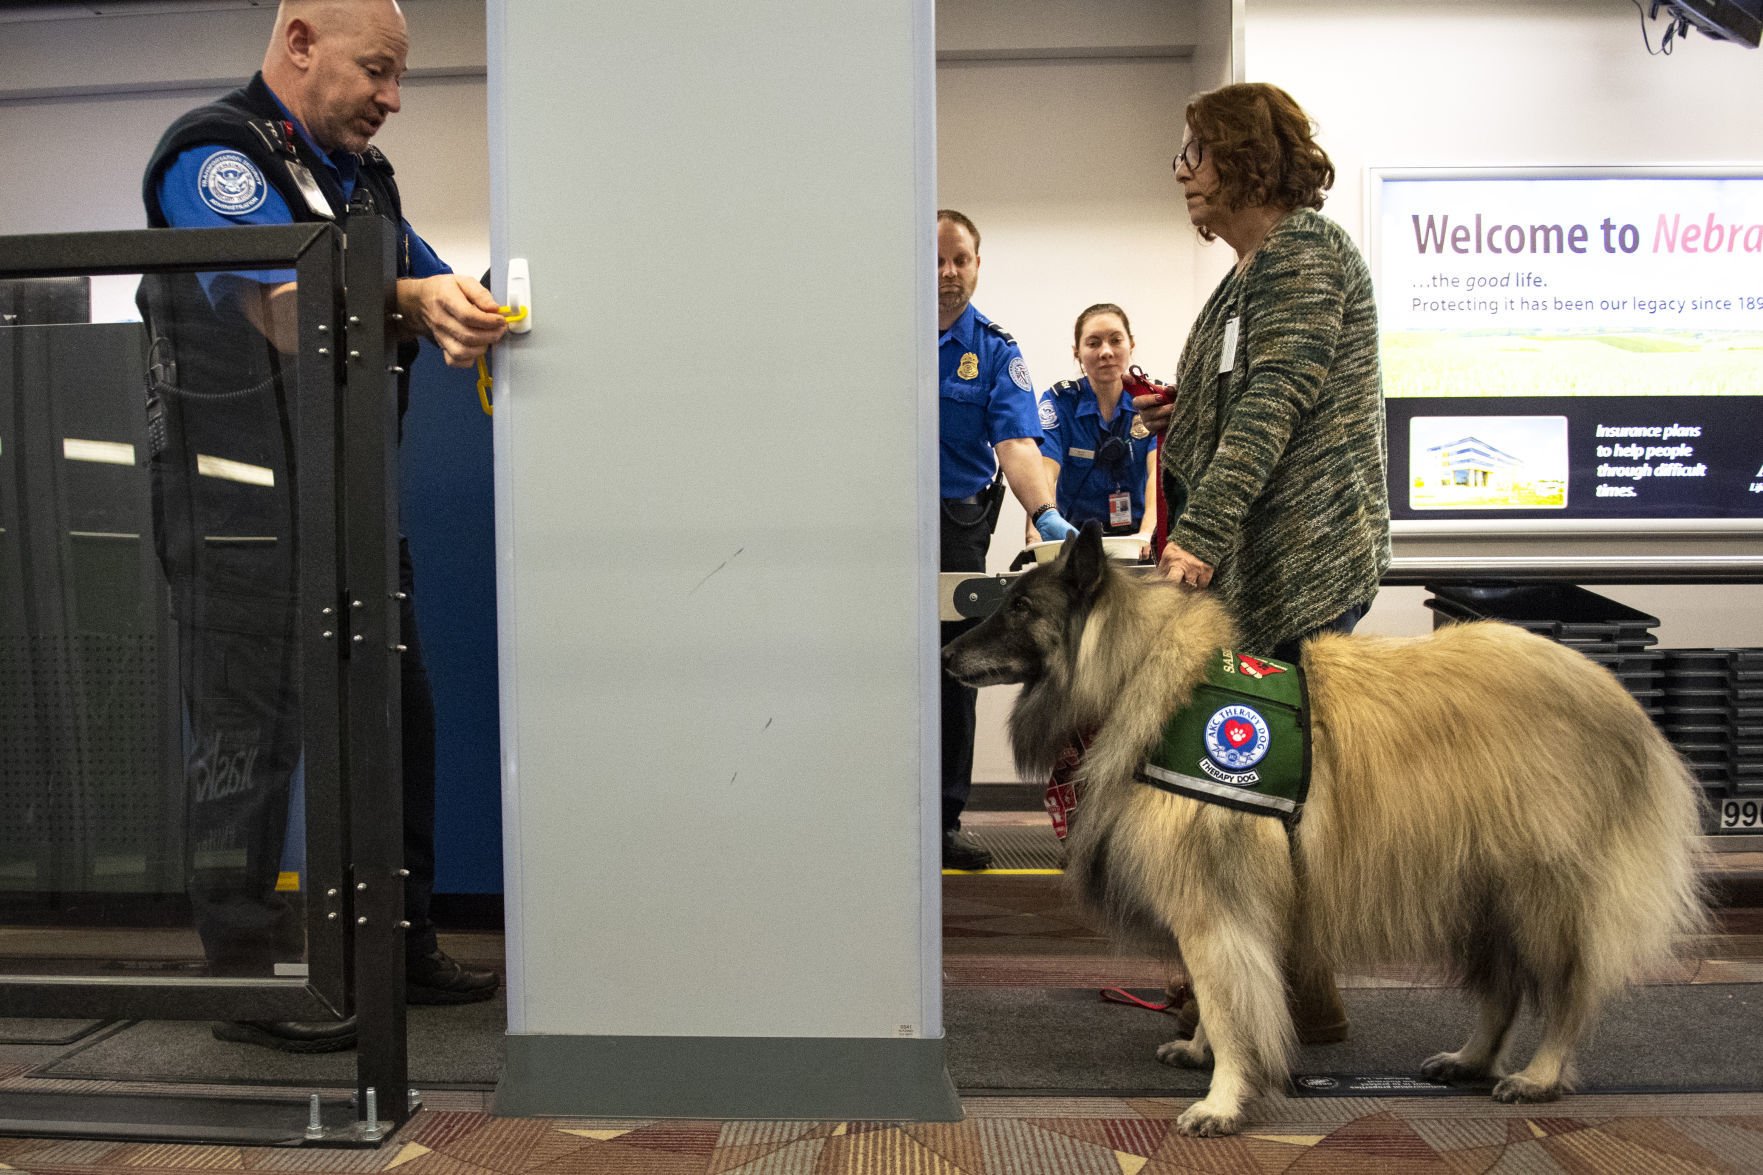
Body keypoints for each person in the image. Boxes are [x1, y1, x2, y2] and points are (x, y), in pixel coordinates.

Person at [139, 0, 504, 1052]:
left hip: (347, 496)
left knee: (400, 718)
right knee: (246, 745)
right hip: (235, 506)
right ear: (300, 41)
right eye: (377, 71)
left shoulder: (362, 179)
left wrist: (468, 303)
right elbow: (289, 310)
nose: (392, 99)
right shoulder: (214, 154)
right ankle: (243, 984)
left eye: (401, 78)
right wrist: (415, 299)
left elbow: (427, 280)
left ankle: (403, 941)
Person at [1133, 82, 1390, 1043]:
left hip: (1302, 564)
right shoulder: (1251, 273)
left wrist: (1198, 533)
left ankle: (1281, 1000)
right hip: (1266, 566)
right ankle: (1270, 993)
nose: (1184, 174)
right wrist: (1182, 414)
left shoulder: (1304, 256)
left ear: (1244, 155)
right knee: (1257, 793)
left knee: (1272, 796)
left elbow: (1277, 399)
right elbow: (1251, 393)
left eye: (1195, 152)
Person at [937, 208, 1075, 871]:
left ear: (976, 264)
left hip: (954, 528)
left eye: (958, 259)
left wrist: (1044, 511)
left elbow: (1016, 443)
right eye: (933, 259)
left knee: (952, 668)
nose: (945, 273)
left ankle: (942, 818)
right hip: (879, 530)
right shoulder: (878, 334)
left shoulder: (992, 349)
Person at [1035, 304, 1160, 558]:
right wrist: (1038, 532)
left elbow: (1158, 473)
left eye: (1116, 340)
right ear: (1077, 352)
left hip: (1140, 540)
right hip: (1074, 540)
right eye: (1093, 343)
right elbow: (1043, 473)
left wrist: (1147, 534)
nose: (1106, 352)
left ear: (1131, 345)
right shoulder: (1060, 402)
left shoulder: (1151, 401)